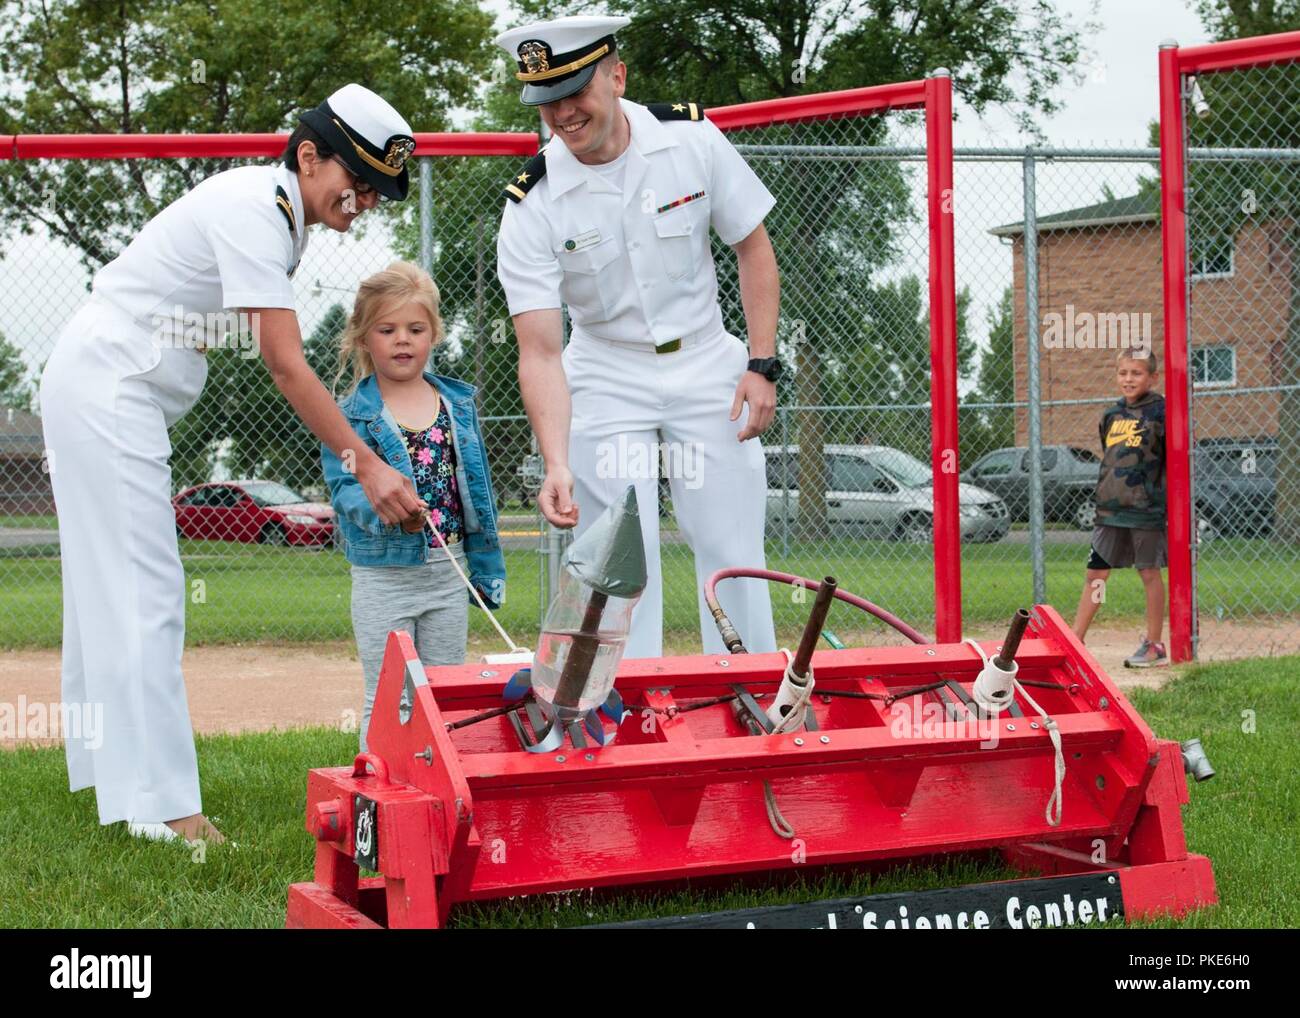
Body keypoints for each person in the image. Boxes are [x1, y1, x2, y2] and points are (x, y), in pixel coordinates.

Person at [39, 84, 428, 844]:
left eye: (378, 191)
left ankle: (108, 780)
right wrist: (368, 465)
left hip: (108, 382)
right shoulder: (260, 210)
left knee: (104, 595)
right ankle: (166, 810)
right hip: (110, 384)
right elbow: (286, 365)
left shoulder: (284, 216)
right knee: (145, 592)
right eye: (359, 181)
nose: (365, 201)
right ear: (309, 156)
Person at [494, 14, 781, 658]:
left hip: (707, 359)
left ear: (617, 76)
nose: (564, 113)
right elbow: (539, 350)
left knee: (733, 549)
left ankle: (753, 702)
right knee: (619, 555)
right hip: (604, 371)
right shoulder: (530, 203)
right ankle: (625, 716)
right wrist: (557, 460)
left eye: (576, 93)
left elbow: (753, 246)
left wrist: (761, 364)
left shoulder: (691, 138)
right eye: (547, 102)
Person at [322, 262, 506, 752]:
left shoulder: (455, 404)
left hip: (449, 570)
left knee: (444, 692)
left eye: (415, 329)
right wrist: (379, 509)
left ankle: (437, 795)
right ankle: (377, 800)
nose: (402, 340)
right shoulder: (350, 417)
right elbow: (344, 489)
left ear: (434, 334)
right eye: (387, 329)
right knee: (390, 696)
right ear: (365, 338)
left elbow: (475, 489)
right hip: (385, 576)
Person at [1071, 350, 1168, 667]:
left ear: (1153, 377)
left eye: (1137, 373)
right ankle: (1077, 639)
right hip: (1110, 509)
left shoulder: (1161, 412)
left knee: (1148, 572)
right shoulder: (1111, 415)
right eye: (1123, 373)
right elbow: (1108, 453)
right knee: (1096, 574)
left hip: (1145, 509)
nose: (1129, 379)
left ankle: (1154, 644)